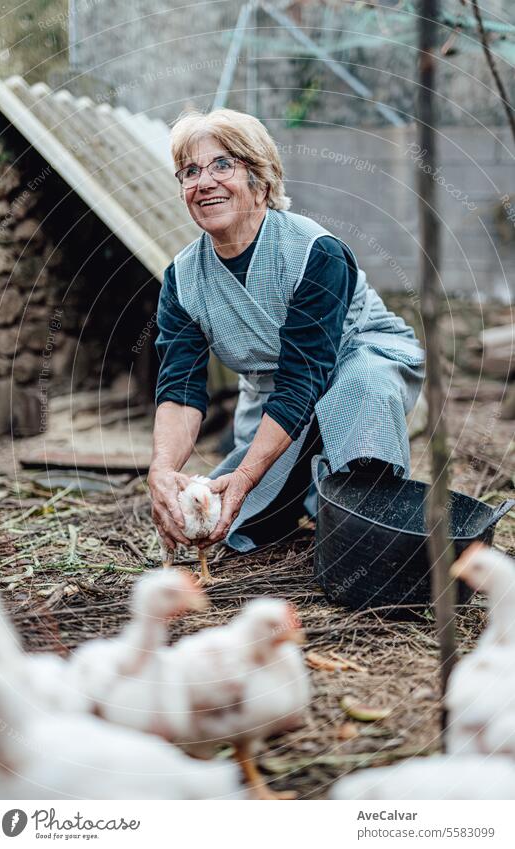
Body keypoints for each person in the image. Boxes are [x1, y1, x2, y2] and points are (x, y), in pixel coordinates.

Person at [149, 108, 424, 554]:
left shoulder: (314, 252)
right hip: (271, 395)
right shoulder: (183, 279)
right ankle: (306, 495)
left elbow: (304, 374)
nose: (204, 182)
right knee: (244, 526)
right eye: (190, 171)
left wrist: (243, 477)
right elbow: (180, 389)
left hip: (357, 359)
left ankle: (367, 526)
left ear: (261, 179)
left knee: (362, 390)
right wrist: (161, 469)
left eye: (223, 165)